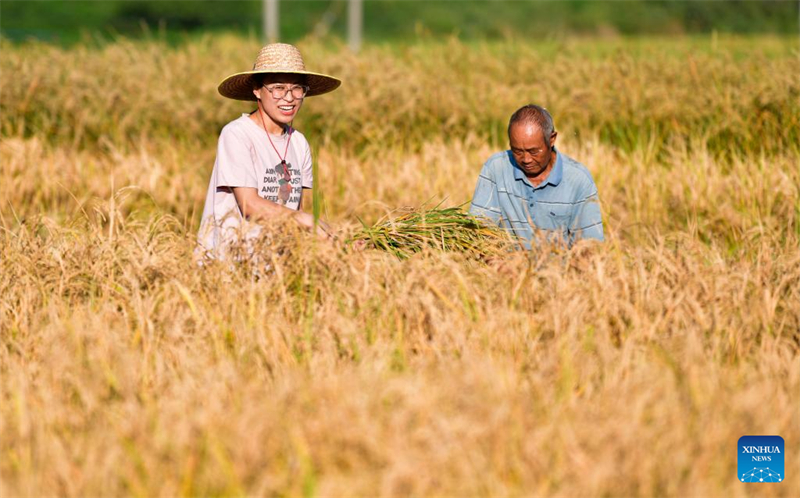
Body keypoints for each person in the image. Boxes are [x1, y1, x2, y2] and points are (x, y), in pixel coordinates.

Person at [197, 43, 340, 260]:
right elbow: (249, 204)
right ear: (257, 90)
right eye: (278, 88)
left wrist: (335, 243)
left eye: (297, 89)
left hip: (275, 269)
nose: (289, 98)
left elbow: (295, 211)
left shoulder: (299, 142)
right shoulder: (237, 134)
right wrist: (310, 222)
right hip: (229, 267)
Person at [469, 105, 604, 248]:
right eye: (517, 151)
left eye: (533, 151)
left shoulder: (578, 180)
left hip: (558, 269)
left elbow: (590, 247)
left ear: (552, 139)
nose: (526, 159)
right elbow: (480, 232)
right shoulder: (496, 168)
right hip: (505, 268)